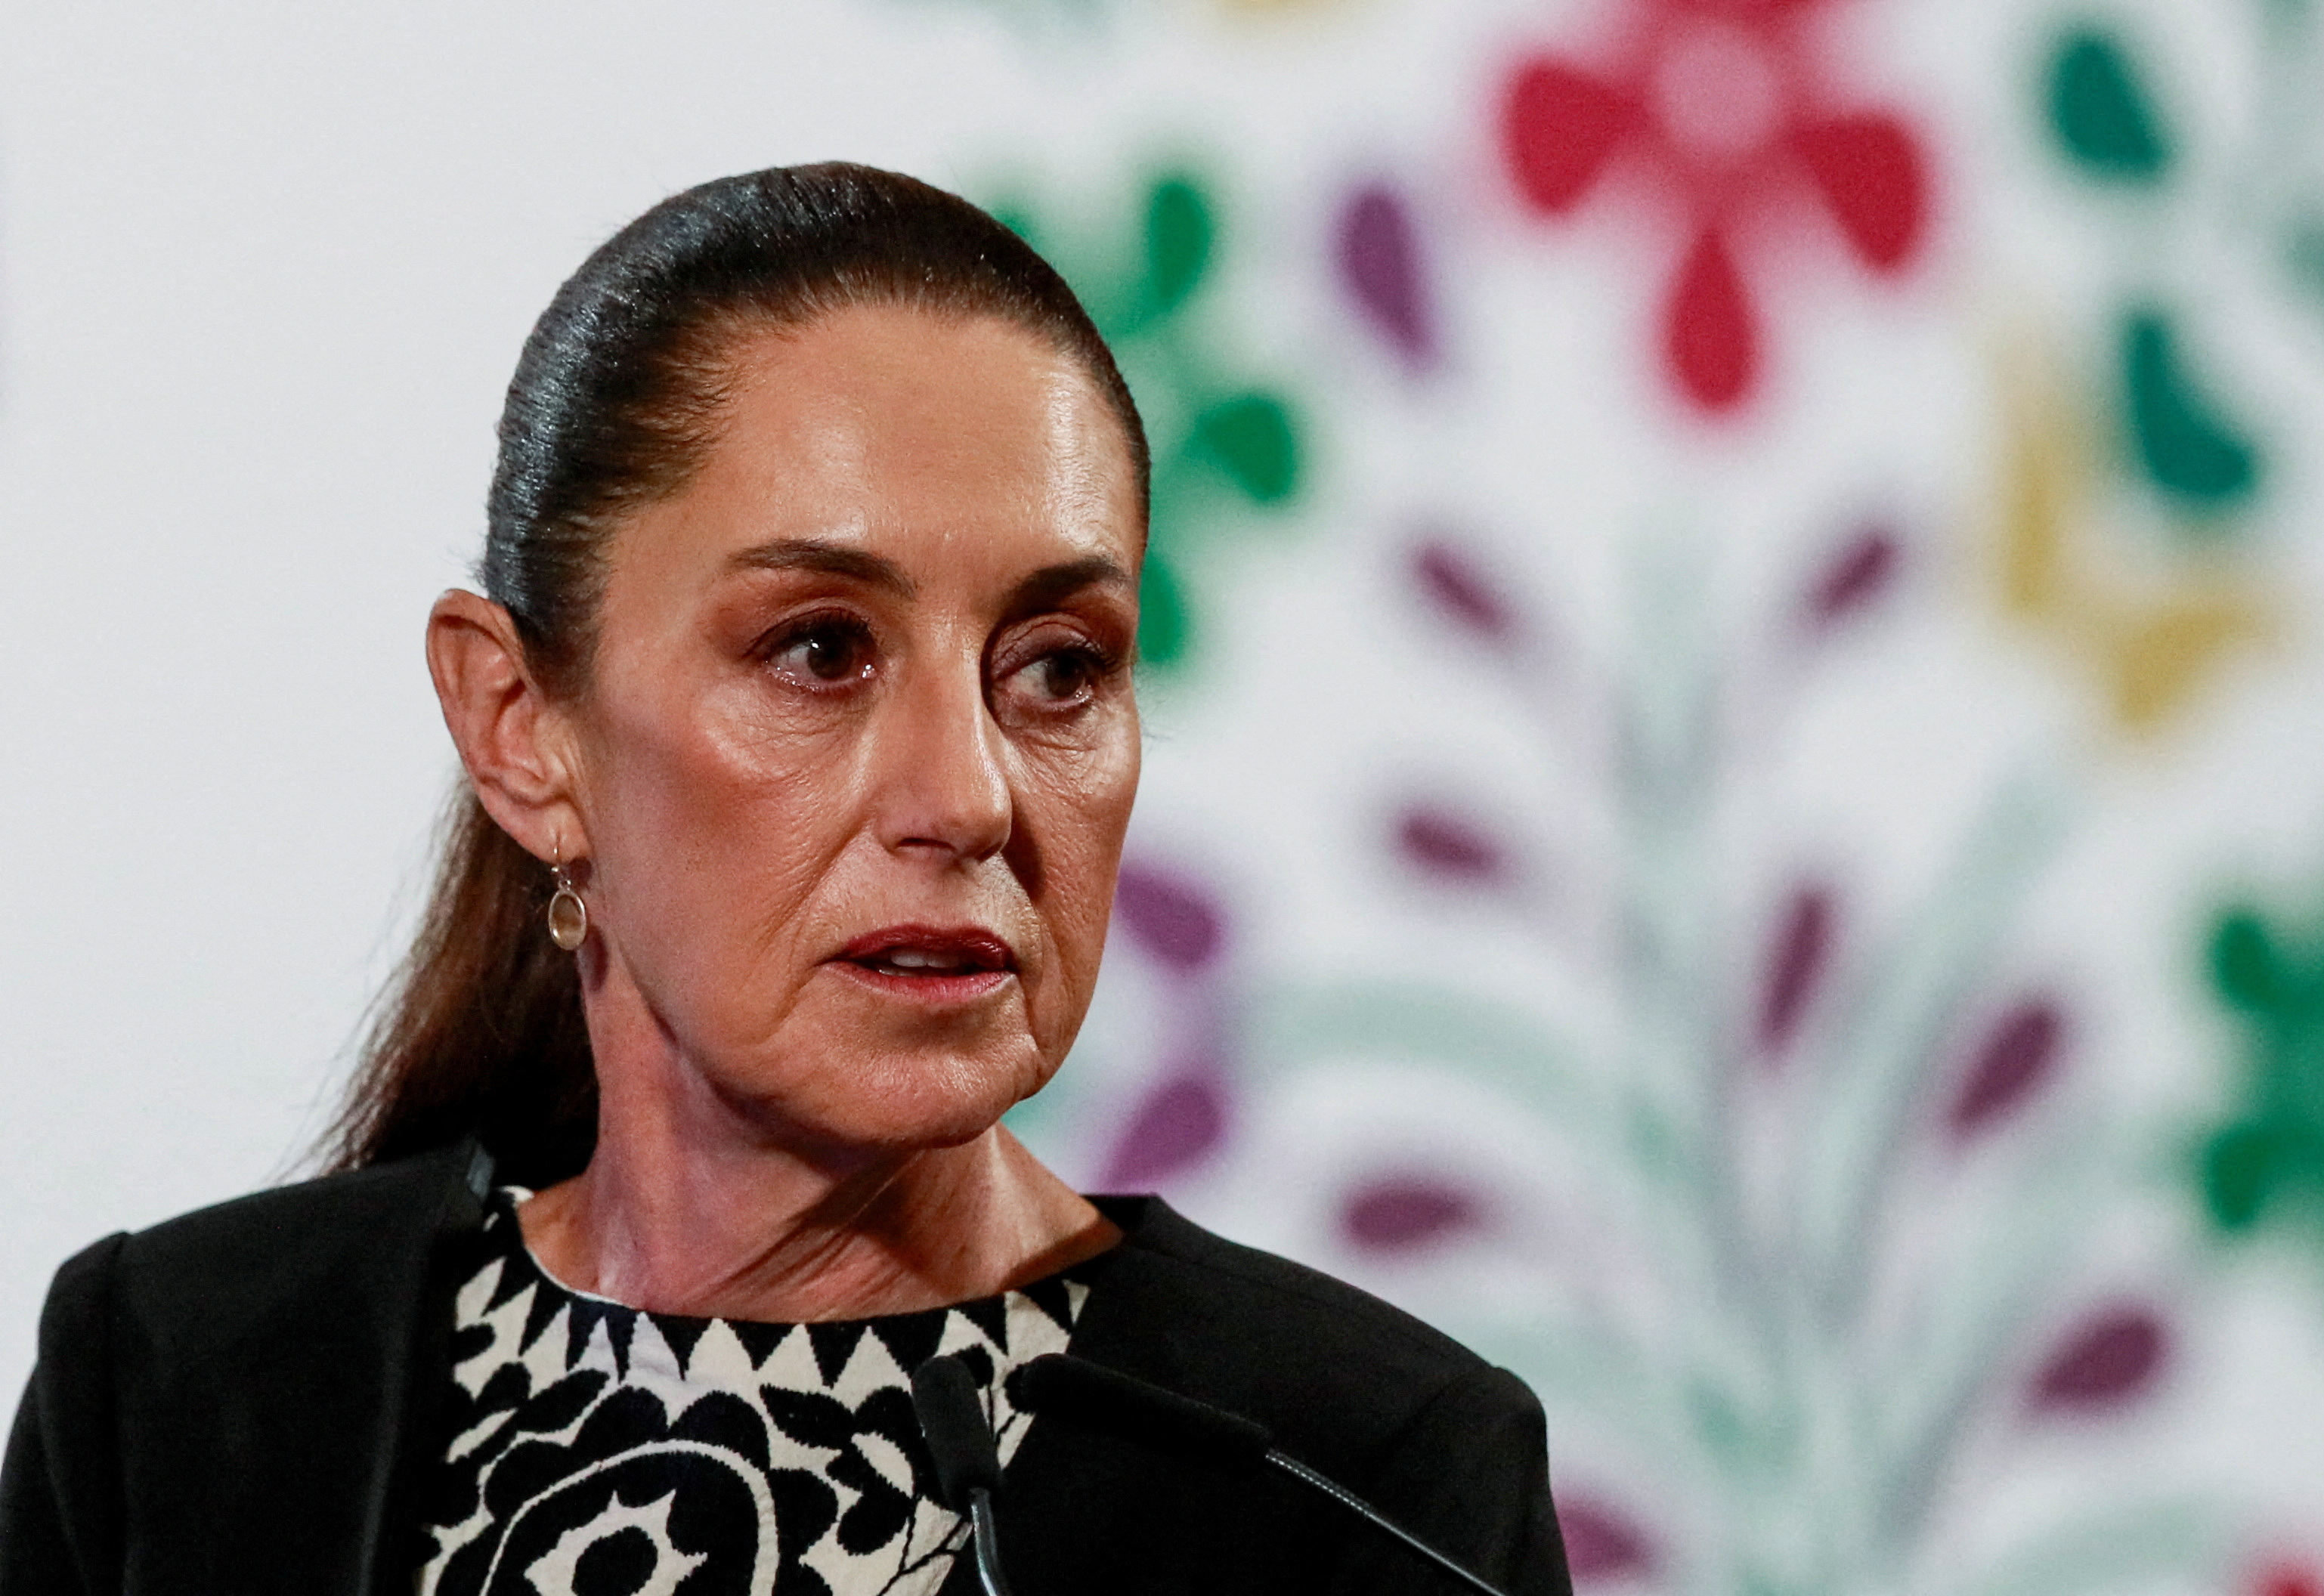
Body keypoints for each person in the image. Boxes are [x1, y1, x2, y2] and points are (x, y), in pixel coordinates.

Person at [0, 162, 1570, 1596]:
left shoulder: (1369, 1477)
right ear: (521, 729)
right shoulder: (174, 1380)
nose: (967, 798)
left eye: (1058, 668)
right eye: (819, 650)